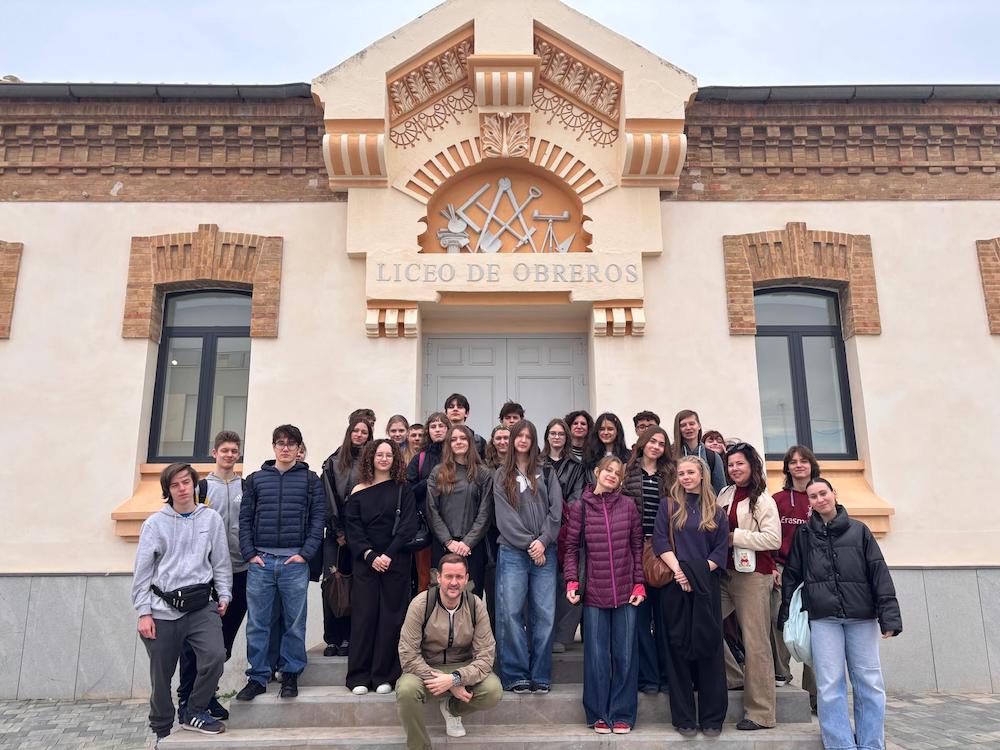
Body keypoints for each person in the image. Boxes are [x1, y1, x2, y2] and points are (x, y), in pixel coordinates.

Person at [778, 478, 902, 750]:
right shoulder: (804, 535)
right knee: (829, 684)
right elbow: (792, 576)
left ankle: (871, 744)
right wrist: (786, 614)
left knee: (869, 682)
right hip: (823, 619)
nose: (820, 499)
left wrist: (889, 616)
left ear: (834, 494)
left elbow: (878, 572)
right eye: (813, 496)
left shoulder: (859, 530)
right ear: (809, 503)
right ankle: (840, 745)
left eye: (823, 493)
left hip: (861, 617)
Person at [133, 463, 232, 743]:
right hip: (163, 610)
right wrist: (144, 612)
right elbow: (142, 572)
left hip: (201, 606)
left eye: (186, 482)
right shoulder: (155, 524)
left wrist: (224, 594)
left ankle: (195, 710)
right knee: (161, 676)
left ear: (194, 484)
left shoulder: (210, 519)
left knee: (215, 656)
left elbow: (221, 562)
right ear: (168, 490)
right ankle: (162, 730)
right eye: (175, 485)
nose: (182, 489)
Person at [236, 424, 325, 701]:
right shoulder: (255, 480)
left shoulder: (311, 480)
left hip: (294, 563)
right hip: (261, 562)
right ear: (273, 446)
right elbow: (245, 519)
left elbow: (318, 520)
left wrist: (305, 554)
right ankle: (258, 677)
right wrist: (250, 554)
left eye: (291, 443)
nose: (285, 448)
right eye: (281, 443)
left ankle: (290, 674)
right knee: (257, 623)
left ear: (299, 448)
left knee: (294, 623)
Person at [564, 456, 645, 734]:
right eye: (608, 470)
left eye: (617, 473)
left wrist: (639, 583)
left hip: (625, 591)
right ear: (597, 472)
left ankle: (622, 713)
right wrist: (572, 580)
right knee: (597, 656)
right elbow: (571, 548)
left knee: (625, 655)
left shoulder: (629, 506)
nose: (612, 475)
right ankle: (598, 713)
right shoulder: (581, 507)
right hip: (594, 593)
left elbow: (637, 547)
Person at [653, 455, 730, 738]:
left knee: (709, 648)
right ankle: (684, 718)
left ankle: (712, 718)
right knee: (677, 649)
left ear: (702, 475)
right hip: (675, 584)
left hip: (706, 586)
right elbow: (660, 541)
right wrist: (680, 573)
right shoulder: (669, 506)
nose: (685, 477)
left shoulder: (717, 512)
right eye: (681, 473)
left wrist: (694, 575)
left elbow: (720, 552)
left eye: (690, 473)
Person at [396, 554, 502, 749]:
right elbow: (408, 655)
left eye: (459, 577)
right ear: (439, 577)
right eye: (449, 576)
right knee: (406, 690)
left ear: (466, 578)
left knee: (493, 690)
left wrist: (455, 678)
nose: (454, 582)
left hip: (463, 666)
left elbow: (486, 656)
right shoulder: (421, 604)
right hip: (426, 668)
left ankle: (453, 709)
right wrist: (449, 684)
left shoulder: (475, 605)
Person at [176, 431, 246, 722]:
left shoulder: (246, 487)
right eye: (224, 450)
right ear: (214, 452)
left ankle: (207, 695)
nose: (229, 455)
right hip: (206, 577)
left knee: (223, 644)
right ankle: (186, 699)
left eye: (234, 451)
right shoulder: (201, 487)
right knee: (195, 644)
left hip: (240, 572)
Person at [493, 419, 563, 693]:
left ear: (534, 441)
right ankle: (515, 675)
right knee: (510, 613)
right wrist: (530, 544)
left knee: (544, 614)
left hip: (545, 551)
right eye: (518, 436)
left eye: (528, 436)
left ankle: (540, 674)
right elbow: (504, 517)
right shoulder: (501, 475)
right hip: (513, 552)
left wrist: (543, 542)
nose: (523, 440)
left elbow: (556, 511)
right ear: (512, 440)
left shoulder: (546, 471)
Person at [345, 439, 418, 695]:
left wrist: (387, 555)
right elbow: (353, 528)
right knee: (364, 618)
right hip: (365, 563)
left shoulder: (403, 489)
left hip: (395, 562)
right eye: (379, 454)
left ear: (395, 459)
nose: (384, 459)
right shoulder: (357, 490)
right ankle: (359, 677)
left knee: (391, 618)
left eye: (389, 455)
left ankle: (384, 676)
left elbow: (408, 526)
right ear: (371, 458)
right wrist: (370, 555)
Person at [717, 442, 781, 730]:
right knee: (704, 624)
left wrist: (736, 537)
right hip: (725, 574)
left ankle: (761, 713)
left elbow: (773, 539)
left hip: (753, 576)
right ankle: (734, 677)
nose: (734, 469)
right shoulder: (724, 493)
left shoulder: (763, 500)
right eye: (730, 464)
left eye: (739, 463)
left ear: (752, 465)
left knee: (756, 643)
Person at [623, 426, 676, 694]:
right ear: (642, 443)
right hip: (634, 551)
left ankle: (667, 676)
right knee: (640, 620)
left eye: (661, 443)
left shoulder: (671, 473)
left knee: (665, 619)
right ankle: (649, 678)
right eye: (652, 441)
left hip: (664, 552)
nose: (656, 446)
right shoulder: (627, 472)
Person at [321, 418, 373, 658]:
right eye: (356, 431)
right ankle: (332, 638)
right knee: (333, 584)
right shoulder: (333, 462)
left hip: (363, 535)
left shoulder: (372, 462)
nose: (359, 435)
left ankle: (351, 638)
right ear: (349, 433)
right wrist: (338, 531)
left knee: (358, 586)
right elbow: (328, 498)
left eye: (364, 432)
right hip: (337, 536)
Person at [771, 445, 819, 703]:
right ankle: (781, 674)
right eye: (793, 462)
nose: (798, 465)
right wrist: (771, 566)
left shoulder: (821, 496)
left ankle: (815, 694)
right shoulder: (777, 499)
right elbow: (767, 536)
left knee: (815, 628)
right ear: (787, 468)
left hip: (815, 571)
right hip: (782, 569)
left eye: (804, 461)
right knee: (779, 621)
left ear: (812, 465)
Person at [425, 425, 493, 597]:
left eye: (463, 438)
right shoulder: (438, 472)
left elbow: (485, 512)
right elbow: (431, 509)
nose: (458, 442)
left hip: (471, 548)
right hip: (443, 545)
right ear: (448, 444)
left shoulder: (483, 473)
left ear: (470, 442)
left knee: (470, 597)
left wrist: (467, 542)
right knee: (441, 596)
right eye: (454, 439)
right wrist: (448, 541)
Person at [545, 418, 586, 653]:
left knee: (569, 581)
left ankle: (563, 635)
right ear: (547, 436)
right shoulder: (538, 462)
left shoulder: (576, 466)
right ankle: (545, 634)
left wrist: (560, 516)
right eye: (553, 433)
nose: (557, 437)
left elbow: (577, 497)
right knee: (545, 584)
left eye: (561, 433)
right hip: (542, 530)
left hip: (567, 529)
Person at [406, 411, 450, 593]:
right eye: (433, 426)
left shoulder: (457, 455)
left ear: (448, 429)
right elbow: (407, 492)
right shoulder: (420, 458)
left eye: (441, 426)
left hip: (452, 527)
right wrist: (430, 481)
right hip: (425, 527)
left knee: (450, 578)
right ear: (428, 431)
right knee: (425, 578)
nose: (437, 430)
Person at [482, 422, 511, 633]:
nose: (502, 442)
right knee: (493, 584)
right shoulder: (484, 466)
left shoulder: (520, 464)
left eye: (506, 438)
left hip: (514, 529)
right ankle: (493, 632)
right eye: (498, 438)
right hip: (491, 530)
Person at [673, 410, 727, 495]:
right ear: (678, 429)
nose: (688, 428)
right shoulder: (671, 454)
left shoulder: (712, 457)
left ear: (699, 426)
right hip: (677, 502)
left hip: (706, 503)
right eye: (683, 425)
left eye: (692, 424)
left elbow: (720, 492)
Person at [582, 412, 630, 478]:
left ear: (617, 431)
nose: (606, 432)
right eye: (602, 429)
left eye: (610, 429)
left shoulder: (628, 456)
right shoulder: (589, 455)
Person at [444, 393, 487, 458]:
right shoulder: (440, 438)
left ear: (466, 413)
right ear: (446, 413)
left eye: (460, 407)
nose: (455, 409)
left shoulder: (478, 441)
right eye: (451, 407)